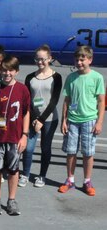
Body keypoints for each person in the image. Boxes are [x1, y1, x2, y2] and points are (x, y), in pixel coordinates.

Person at [0, 56, 30, 216]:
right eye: (4, 69)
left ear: (16, 71)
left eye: (10, 70)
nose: (7, 73)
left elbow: (26, 113)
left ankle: (11, 199)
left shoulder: (22, 89)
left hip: (15, 137)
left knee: (13, 170)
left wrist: (24, 135)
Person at [59, 46, 105, 196]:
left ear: (90, 60)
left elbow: (101, 101)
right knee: (71, 151)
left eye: (82, 59)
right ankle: (70, 180)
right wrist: (63, 120)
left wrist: (99, 122)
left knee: (87, 152)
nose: (79, 62)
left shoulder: (97, 77)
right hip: (72, 120)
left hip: (89, 120)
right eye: (77, 59)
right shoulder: (71, 78)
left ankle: (87, 181)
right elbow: (67, 100)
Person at [22, 45, 62, 188]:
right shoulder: (30, 77)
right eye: (37, 59)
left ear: (50, 59)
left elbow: (54, 101)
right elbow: (27, 100)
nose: (40, 62)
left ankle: (42, 176)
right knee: (28, 148)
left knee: (45, 148)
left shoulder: (56, 77)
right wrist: (34, 118)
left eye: (43, 59)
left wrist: (41, 120)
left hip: (50, 119)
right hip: (32, 118)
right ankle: (25, 174)